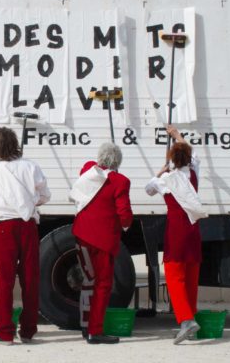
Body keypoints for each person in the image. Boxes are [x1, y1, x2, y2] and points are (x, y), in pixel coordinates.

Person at [0, 127, 51, 345]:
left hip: (3, 228)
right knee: (30, 279)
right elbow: (45, 195)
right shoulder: (31, 166)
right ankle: (28, 331)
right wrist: (29, 203)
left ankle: (6, 332)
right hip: (28, 225)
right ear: (16, 143)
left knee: (5, 281)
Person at [145, 125, 208, 345]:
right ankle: (192, 317)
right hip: (193, 229)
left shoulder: (166, 180)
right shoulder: (193, 173)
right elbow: (195, 156)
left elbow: (148, 188)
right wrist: (177, 136)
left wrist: (161, 171)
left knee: (174, 275)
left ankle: (186, 321)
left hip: (176, 231)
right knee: (191, 276)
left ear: (172, 159)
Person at [69, 143, 133, 345]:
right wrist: (126, 224)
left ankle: (84, 324)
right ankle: (94, 331)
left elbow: (92, 167)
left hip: (81, 234)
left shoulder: (88, 170)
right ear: (118, 162)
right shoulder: (120, 181)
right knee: (103, 285)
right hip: (103, 240)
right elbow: (124, 216)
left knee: (87, 280)